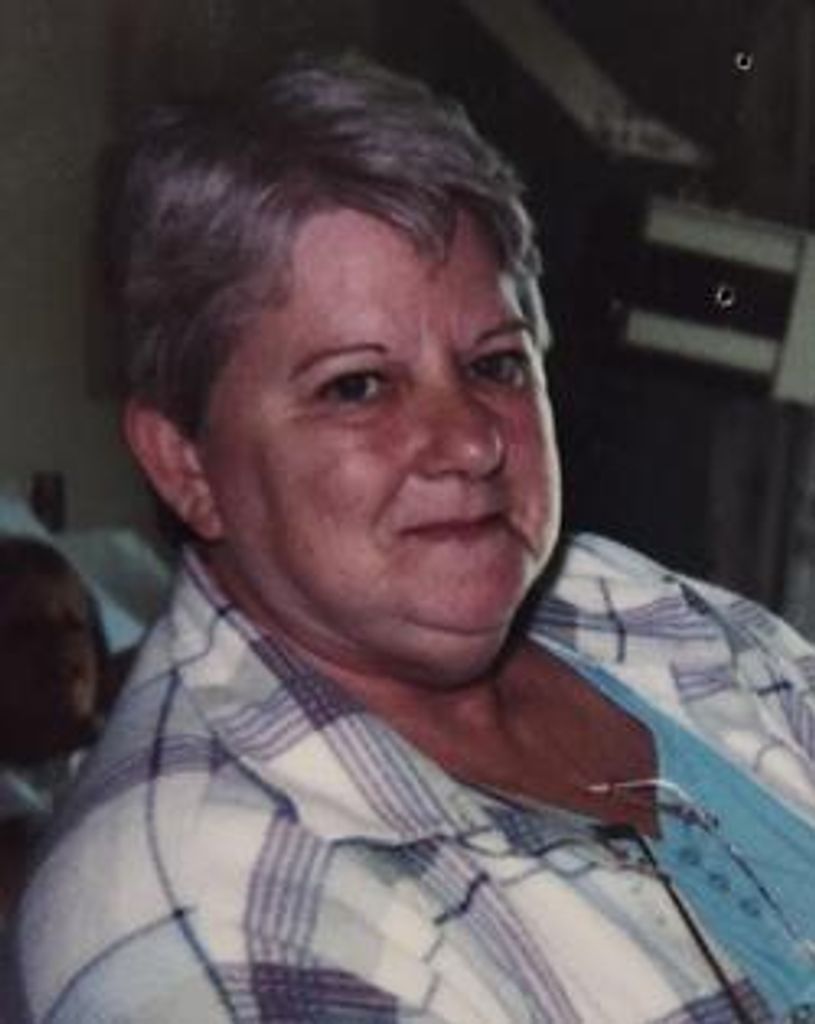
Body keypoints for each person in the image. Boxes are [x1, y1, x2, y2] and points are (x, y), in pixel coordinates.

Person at [11, 55, 815, 1023]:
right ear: (185, 465)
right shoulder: (207, 918)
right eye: (356, 386)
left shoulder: (621, 604)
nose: (471, 441)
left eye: (494, 365)